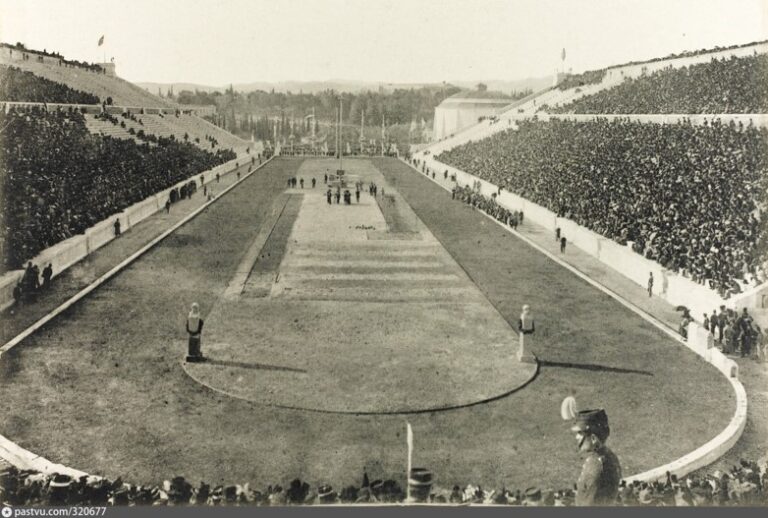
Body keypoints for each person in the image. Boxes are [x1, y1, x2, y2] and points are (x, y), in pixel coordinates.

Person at [570, 409, 622, 506]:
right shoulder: (607, 455)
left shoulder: (596, 468)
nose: (577, 437)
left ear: (593, 439)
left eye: (580, 433)